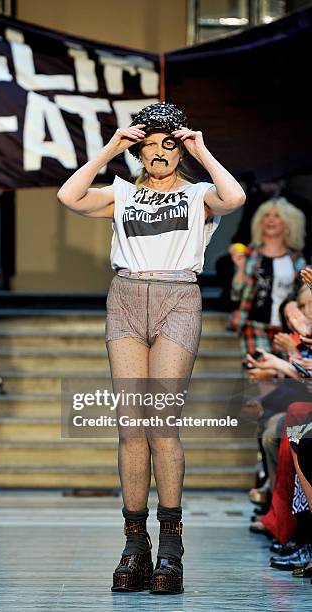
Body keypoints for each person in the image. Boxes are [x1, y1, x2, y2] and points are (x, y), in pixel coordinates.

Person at [57, 101, 245, 594]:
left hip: (177, 296)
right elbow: (69, 196)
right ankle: (134, 543)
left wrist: (200, 150)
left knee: (162, 421)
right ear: (138, 149)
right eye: (148, 142)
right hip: (125, 296)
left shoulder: (199, 192)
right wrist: (110, 149)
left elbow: (235, 195)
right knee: (131, 426)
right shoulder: (120, 192)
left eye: (167, 141)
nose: (157, 150)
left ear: (177, 146)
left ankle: (172, 545)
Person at [230, 198, 306, 364]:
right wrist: (241, 267)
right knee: (263, 375)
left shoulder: (296, 260)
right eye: (266, 216)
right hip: (254, 325)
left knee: (288, 375)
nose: (270, 219)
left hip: (287, 328)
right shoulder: (250, 255)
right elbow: (236, 294)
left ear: (288, 224)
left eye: (277, 216)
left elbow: (303, 297)